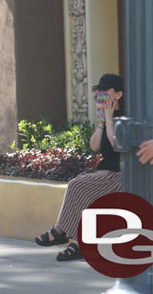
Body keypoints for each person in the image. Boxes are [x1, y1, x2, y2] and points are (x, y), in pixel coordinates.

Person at [35, 73, 124, 261]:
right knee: (80, 187)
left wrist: (109, 119)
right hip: (106, 170)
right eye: (98, 91)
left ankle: (63, 232)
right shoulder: (107, 116)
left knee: (78, 186)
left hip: (120, 174)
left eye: (105, 90)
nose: (100, 95)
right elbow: (94, 146)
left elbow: (118, 145)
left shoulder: (123, 118)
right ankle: (76, 240)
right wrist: (101, 121)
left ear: (118, 95)